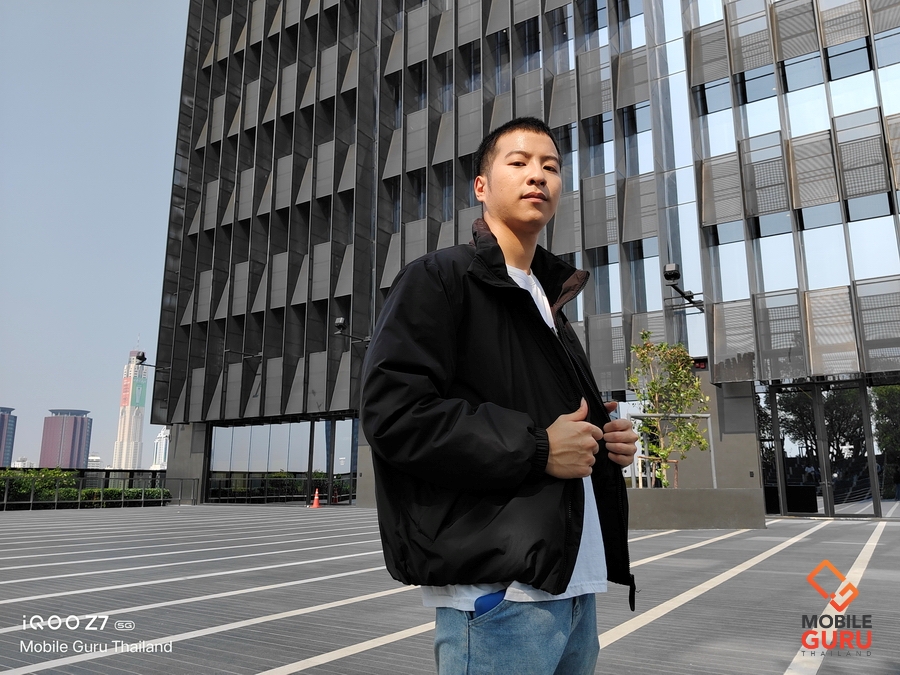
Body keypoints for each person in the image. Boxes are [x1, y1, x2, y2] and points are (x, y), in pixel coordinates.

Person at [361, 117, 638, 675]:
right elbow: (394, 413)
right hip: (498, 599)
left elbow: (549, 421)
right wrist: (539, 447)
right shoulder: (439, 278)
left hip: (573, 589)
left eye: (550, 166)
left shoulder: (546, 301)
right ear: (481, 186)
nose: (538, 175)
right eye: (519, 162)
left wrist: (602, 440)